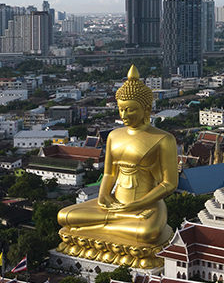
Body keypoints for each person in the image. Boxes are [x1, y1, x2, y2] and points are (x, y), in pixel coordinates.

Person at [56, 66, 178, 266]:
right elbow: (109, 174)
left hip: (146, 207)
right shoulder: (114, 135)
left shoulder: (164, 139)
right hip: (113, 204)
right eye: (121, 109)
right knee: (64, 216)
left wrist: (136, 205)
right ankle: (110, 224)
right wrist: (104, 196)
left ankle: (91, 231)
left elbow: (169, 184)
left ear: (146, 109)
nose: (124, 114)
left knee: (149, 233)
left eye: (130, 109)